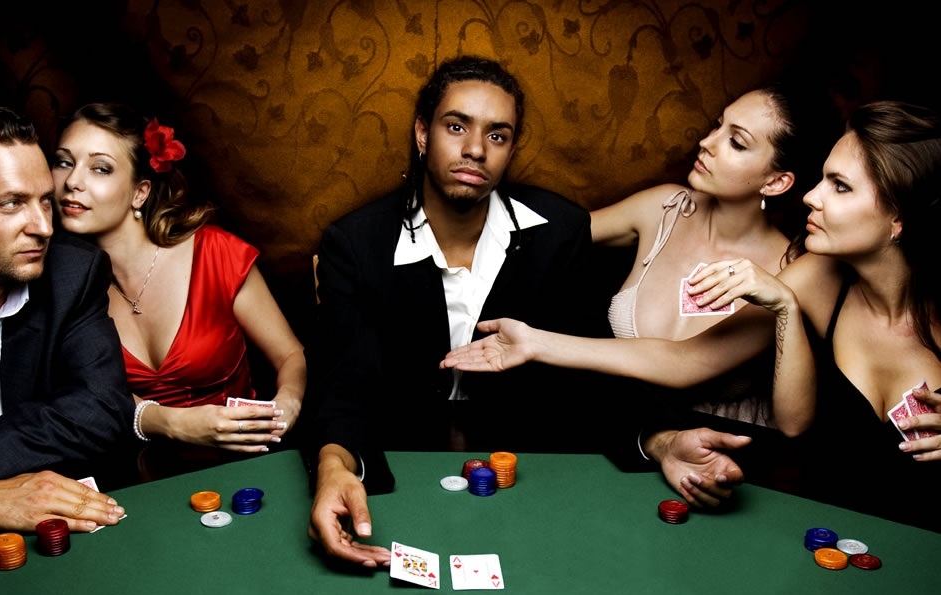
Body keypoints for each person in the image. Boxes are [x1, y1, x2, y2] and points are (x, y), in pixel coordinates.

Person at [443, 101, 941, 531]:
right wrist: (534, 340)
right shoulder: (814, 276)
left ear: (898, 219)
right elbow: (705, 367)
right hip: (816, 519)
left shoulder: (810, 266)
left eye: (841, 187)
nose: (812, 196)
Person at [307, 55, 603, 567]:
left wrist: (661, 439)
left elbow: (592, 374)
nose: (475, 149)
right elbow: (343, 386)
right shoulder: (356, 244)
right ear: (423, 133)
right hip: (398, 466)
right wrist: (334, 466)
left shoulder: (561, 232)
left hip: (532, 475)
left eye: (497, 135)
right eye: (457, 126)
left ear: (511, 149)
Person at [0, 106, 131, 536]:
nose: (43, 228)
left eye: (45, 202)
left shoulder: (74, 273)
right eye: (12, 203)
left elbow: (102, 408)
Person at [51, 103, 307, 454]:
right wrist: (172, 422)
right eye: (64, 162)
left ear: (140, 192)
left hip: (243, 462)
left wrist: (287, 402)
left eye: (100, 168)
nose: (72, 182)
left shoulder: (215, 254)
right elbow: (81, 397)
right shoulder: (60, 285)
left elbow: (290, 354)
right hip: (137, 473)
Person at [590, 82, 829, 427]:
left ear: (775, 182)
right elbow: (557, 233)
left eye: (736, 142)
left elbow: (682, 362)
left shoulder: (791, 273)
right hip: (621, 426)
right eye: (718, 125)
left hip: (724, 448)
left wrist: (537, 344)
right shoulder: (665, 208)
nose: (707, 142)